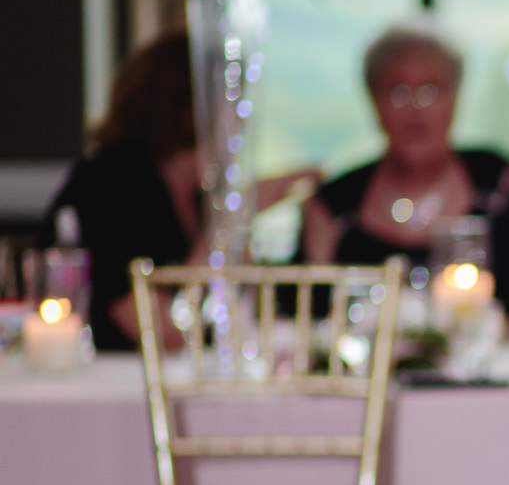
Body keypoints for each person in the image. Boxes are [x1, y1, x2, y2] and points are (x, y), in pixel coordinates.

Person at [299, 23, 509, 343]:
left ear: (456, 96)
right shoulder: (334, 205)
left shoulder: (498, 185)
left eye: (431, 90)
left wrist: (496, 342)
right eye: (398, 91)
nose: (415, 109)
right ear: (373, 100)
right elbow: (298, 319)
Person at [37, 32, 315, 348]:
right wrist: (232, 219)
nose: (241, 123)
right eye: (233, 104)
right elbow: (156, 330)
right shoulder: (115, 180)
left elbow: (236, 317)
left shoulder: (200, 194)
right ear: (191, 106)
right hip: (109, 382)